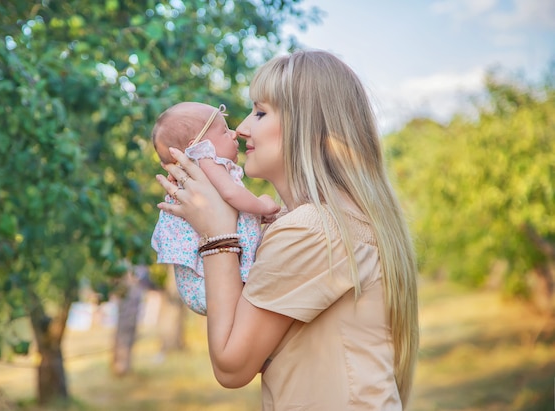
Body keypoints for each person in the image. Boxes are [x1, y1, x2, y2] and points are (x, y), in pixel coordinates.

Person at [155, 49, 420, 410]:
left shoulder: (311, 230)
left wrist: (217, 235)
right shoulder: (334, 221)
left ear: (309, 127)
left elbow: (231, 367)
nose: (242, 128)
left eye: (260, 112)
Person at [151, 102, 280, 315]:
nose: (233, 133)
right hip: (207, 284)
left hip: (202, 287)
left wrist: (253, 217)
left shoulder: (199, 176)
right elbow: (231, 194)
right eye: (223, 130)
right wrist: (262, 206)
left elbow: (229, 211)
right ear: (198, 145)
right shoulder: (205, 161)